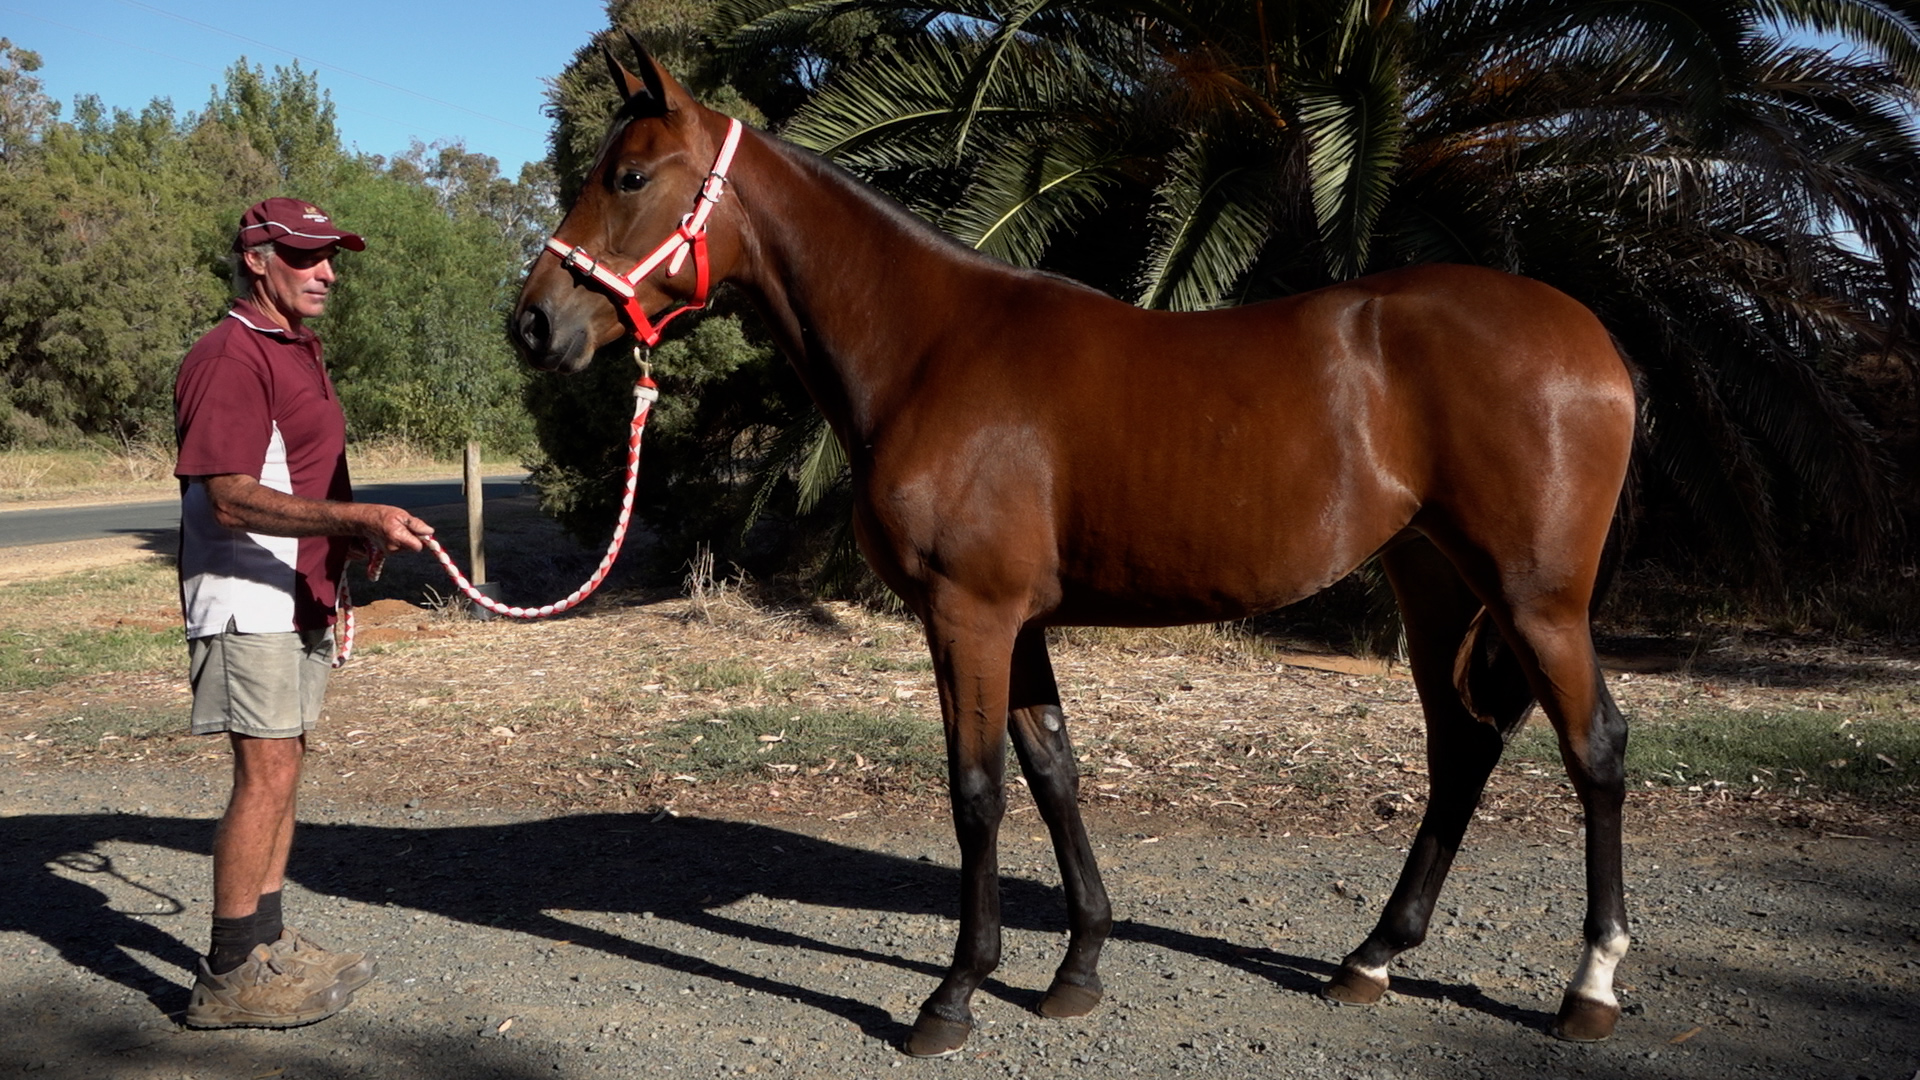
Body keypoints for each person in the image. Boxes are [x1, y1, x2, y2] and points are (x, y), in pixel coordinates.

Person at [173, 197, 434, 1029]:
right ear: (256, 259)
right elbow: (228, 496)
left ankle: (268, 941)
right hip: (246, 596)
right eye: (304, 256)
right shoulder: (230, 355)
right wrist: (357, 515)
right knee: (265, 774)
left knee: (286, 764)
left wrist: (349, 536)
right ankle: (229, 973)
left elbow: (300, 475)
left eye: (331, 258)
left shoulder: (295, 347)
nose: (326, 272)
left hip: (300, 593)